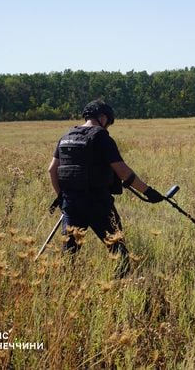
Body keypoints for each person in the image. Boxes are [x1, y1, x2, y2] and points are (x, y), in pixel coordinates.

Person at [47, 99, 164, 278]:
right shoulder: (101, 136)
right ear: (103, 118)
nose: (107, 127)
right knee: (118, 250)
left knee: (69, 254)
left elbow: (52, 170)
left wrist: (63, 198)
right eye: (108, 123)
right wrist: (148, 191)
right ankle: (122, 284)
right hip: (98, 204)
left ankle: (65, 287)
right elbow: (123, 172)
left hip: (71, 204)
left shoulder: (66, 136)